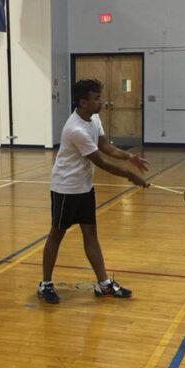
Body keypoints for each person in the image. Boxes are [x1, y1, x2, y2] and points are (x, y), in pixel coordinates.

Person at [39, 79, 150, 304]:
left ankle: (104, 284)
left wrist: (130, 157)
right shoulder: (75, 129)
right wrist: (130, 175)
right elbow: (101, 161)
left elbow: (105, 146)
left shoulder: (94, 118)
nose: (102, 101)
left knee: (90, 233)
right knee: (56, 234)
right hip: (65, 189)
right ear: (83, 102)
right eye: (97, 98)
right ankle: (45, 284)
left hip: (84, 188)